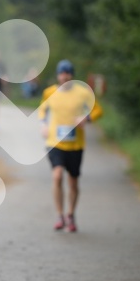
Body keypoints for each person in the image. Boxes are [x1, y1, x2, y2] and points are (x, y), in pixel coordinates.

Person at [38, 59, 102, 232]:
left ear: (72, 75)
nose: (64, 76)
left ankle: (71, 215)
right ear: (58, 75)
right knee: (57, 176)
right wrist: (43, 123)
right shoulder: (49, 92)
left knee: (73, 182)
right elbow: (43, 109)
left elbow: (97, 110)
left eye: (67, 73)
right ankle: (60, 215)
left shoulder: (83, 93)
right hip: (54, 142)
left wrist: (86, 118)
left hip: (75, 144)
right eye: (61, 73)